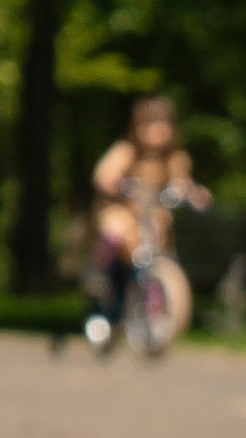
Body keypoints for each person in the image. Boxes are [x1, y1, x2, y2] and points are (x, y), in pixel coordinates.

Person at [81, 95, 198, 357]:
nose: (157, 133)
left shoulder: (175, 159)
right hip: (126, 214)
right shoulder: (126, 152)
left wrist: (192, 194)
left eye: (162, 125)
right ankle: (98, 271)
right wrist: (113, 183)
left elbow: (184, 183)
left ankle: (154, 308)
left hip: (153, 220)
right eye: (149, 126)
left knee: (156, 249)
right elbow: (104, 174)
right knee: (115, 228)